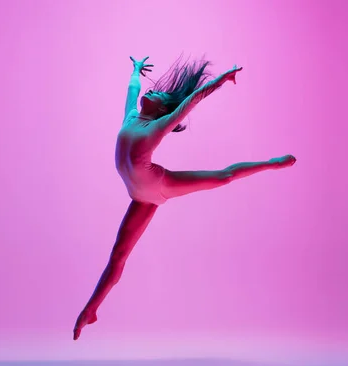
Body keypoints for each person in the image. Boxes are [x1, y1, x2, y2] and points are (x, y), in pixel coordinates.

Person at [73, 55, 296, 340]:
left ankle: (272, 163)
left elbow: (191, 102)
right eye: (152, 90)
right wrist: (135, 72)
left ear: (164, 108)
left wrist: (221, 80)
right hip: (140, 198)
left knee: (223, 176)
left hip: (159, 184)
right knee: (118, 257)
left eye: (158, 94)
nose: (151, 91)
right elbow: (131, 91)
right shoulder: (131, 117)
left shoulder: (157, 127)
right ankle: (90, 311)